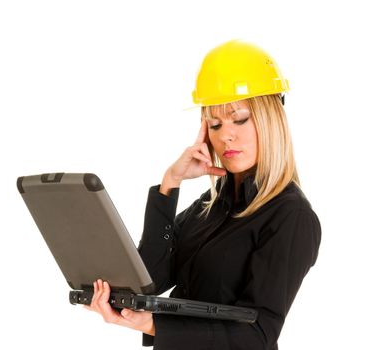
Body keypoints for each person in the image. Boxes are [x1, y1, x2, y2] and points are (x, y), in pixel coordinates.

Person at [84, 39, 322, 350]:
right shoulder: (210, 206)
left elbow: (258, 334)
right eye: (214, 123)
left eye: (239, 119)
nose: (226, 135)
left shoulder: (291, 217)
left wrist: (154, 324)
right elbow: (150, 282)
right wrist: (170, 185)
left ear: (271, 119)